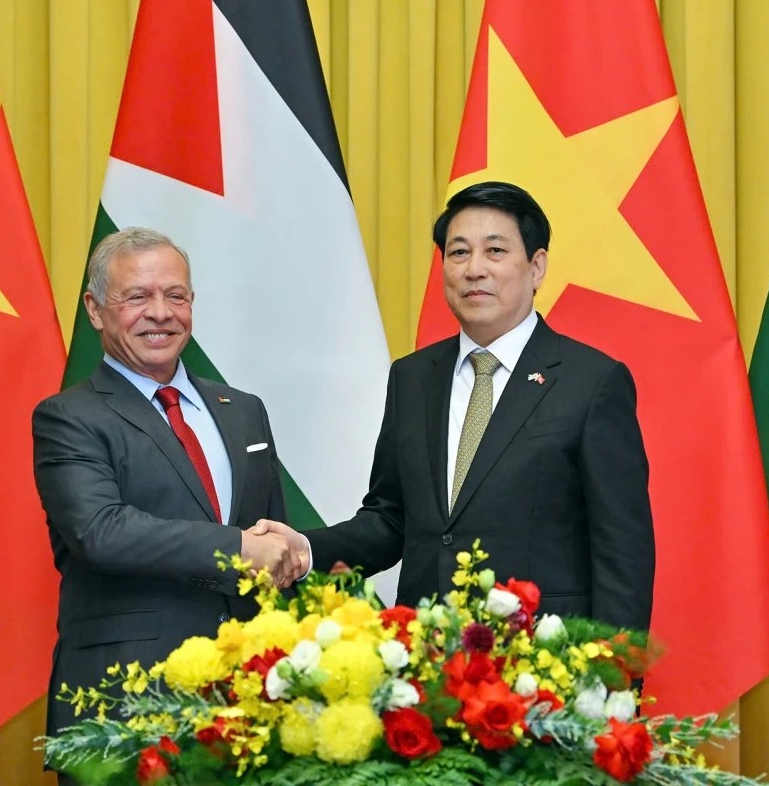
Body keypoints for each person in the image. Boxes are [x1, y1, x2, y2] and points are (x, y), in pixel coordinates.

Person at [259, 181, 655, 632]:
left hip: (543, 654)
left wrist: (614, 665)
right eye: (459, 253)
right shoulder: (412, 378)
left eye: (495, 251)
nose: (474, 270)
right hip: (426, 652)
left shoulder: (591, 382)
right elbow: (392, 519)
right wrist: (306, 550)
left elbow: (622, 550)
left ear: (536, 266)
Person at [33, 227, 298, 757]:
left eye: (175, 296)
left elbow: (273, 541)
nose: (160, 313)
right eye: (137, 297)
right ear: (95, 309)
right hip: (123, 704)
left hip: (249, 699)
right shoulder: (68, 417)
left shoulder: (244, 410)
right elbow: (101, 532)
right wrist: (237, 548)